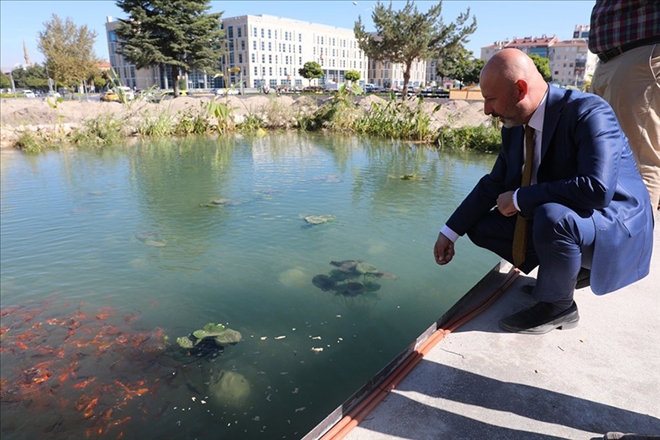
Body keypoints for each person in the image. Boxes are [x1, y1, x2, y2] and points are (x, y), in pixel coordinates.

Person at [433, 48, 654, 334]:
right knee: (481, 226)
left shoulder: (589, 112)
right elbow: (494, 183)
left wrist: (520, 198)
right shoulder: (514, 127)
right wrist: (450, 231)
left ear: (520, 89)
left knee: (553, 216)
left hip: (613, 221)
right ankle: (558, 277)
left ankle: (559, 306)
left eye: (490, 99)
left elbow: (597, 190)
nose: (487, 110)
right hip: (573, 216)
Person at [588, 0, 660, 212]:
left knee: (639, 162)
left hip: (642, 53)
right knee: (599, 154)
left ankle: (635, 242)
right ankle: (615, 235)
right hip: (608, 59)